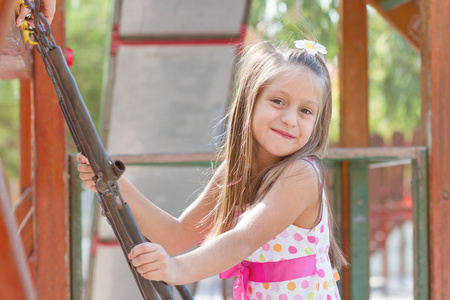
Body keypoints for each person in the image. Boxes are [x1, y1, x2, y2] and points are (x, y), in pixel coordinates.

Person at [77, 40, 347, 299]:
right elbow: (177, 235)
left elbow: (244, 240)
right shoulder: (236, 175)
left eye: (305, 111)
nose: (290, 119)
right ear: (250, 103)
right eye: (278, 101)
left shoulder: (302, 175)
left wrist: (177, 269)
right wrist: (116, 184)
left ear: (318, 122)